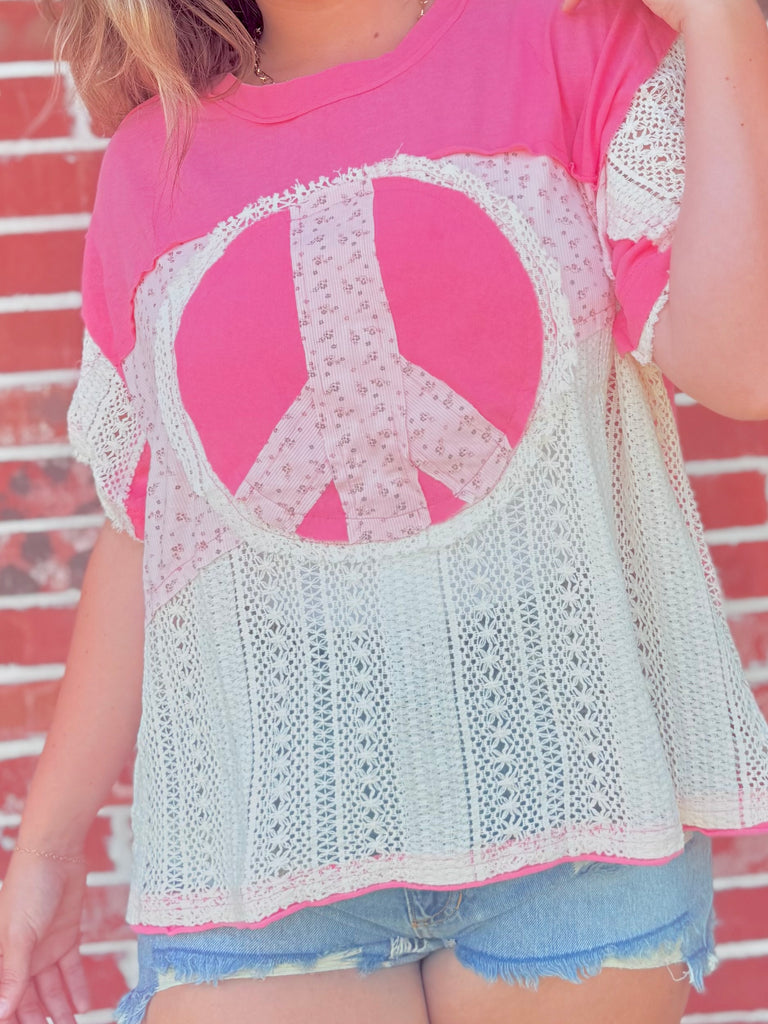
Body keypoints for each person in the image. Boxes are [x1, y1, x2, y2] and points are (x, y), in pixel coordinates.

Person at [2, 0, 768, 1021]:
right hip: (267, 854)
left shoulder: (565, 37)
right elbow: (153, 532)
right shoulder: (155, 164)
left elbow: (744, 366)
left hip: (571, 813)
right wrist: (47, 849)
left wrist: (725, 21)